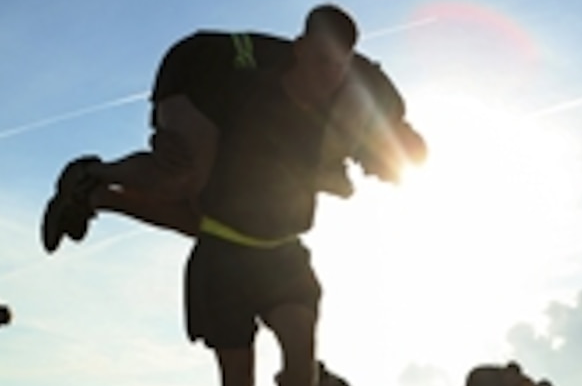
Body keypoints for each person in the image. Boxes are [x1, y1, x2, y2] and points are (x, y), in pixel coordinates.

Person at [179, 5, 370, 386]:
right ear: (300, 47)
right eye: (324, 59)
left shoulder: (333, 110)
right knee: (237, 384)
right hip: (224, 252)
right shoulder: (255, 93)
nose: (331, 73)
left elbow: (338, 166)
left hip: (284, 253)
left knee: (302, 352)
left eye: (341, 65)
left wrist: (343, 172)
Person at [40, 12, 427, 251]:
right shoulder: (373, 107)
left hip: (232, 106)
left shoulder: (362, 122)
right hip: (205, 71)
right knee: (183, 176)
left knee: (211, 225)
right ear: (395, 148)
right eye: (390, 174)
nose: (378, 178)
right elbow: (312, 162)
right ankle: (93, 172)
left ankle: (94, 197)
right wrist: (330, 179)